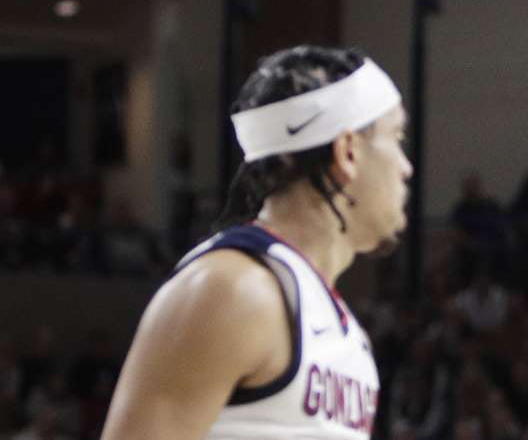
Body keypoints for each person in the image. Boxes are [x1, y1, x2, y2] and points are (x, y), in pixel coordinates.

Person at [101, 46, 412, 439]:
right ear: (347, 151)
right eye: (395, 138)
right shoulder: (232, 290)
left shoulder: (337, 324)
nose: (406, 167)